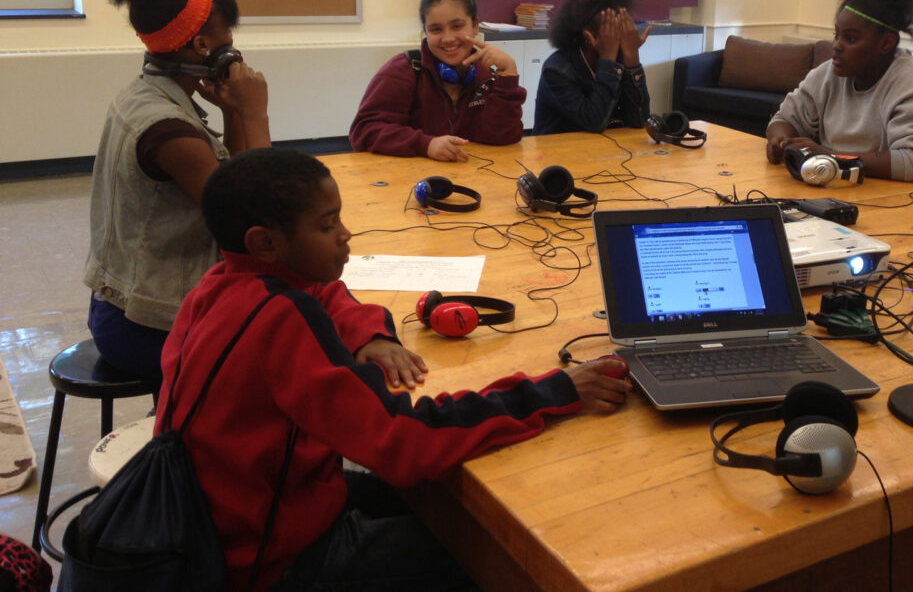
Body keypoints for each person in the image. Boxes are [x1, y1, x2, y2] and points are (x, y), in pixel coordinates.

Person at [159, 147, 632, 590]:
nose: (345, 235)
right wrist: (551, 391)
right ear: (264, 243)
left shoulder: (219, 285)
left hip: (222, 516)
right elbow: (402, 442)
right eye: (327, 227)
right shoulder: (283, 319)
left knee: (430, 506)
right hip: (264, 561)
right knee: (486, 555)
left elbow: (322, 293)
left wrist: (371, 334)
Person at [84, 0, 270, 381]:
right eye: (228, 30)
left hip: (123, 307)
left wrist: (233, 113)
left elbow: (232, 182)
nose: (232, 39)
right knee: (287, 343)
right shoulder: (172, 133)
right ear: (205, 46)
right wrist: (257, 115)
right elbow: (256, 215)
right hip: (146, 326)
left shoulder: (146, 93)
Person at [765, 0, 913, 182]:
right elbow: (784, 118)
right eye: (837, 35)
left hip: (910, 200)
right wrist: (780, 140)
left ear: (886, 43)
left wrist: (832, 157)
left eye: (850, 38)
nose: (837, 46)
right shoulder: (828, 74)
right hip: (851, 190)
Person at [350, 0, 525, 161]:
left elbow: (503, 137)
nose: (448, 38)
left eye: (457, 26)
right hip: (411, 182)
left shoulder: (488, 75)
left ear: (475, 25)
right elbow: (364, 131)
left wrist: (508, 77)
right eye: (436, 29)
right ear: (425, 31)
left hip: (473, 175)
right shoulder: (403, 70)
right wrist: (426, 144)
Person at [533, 0, 652, 135]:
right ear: (589, 38)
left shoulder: (620, 61)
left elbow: (639, 120)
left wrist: (632, 57)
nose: (622, 37)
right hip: (557, 155)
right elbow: (594, 121)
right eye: (613, 32)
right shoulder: (556, 70)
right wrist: (608, 58)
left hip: (605, 152)